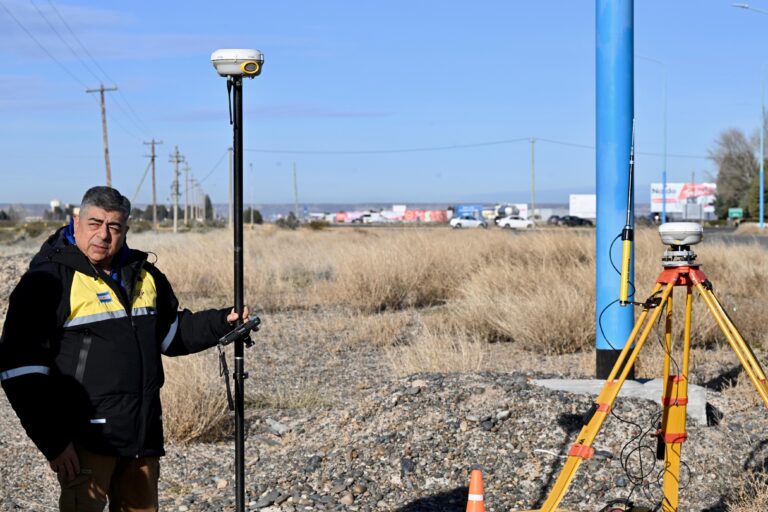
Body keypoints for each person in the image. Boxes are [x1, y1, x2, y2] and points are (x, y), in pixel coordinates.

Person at [0, 186, 255, 511]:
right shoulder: (46, 281)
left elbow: (171, 335)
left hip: (142, 436)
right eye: (95, 223)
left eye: (114, 227)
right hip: (86, 443)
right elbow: (20, 370)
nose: (103, 235)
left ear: (126, 230)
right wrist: (53, 442)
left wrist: (222, 321)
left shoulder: (145, 276)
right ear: (76, 221)